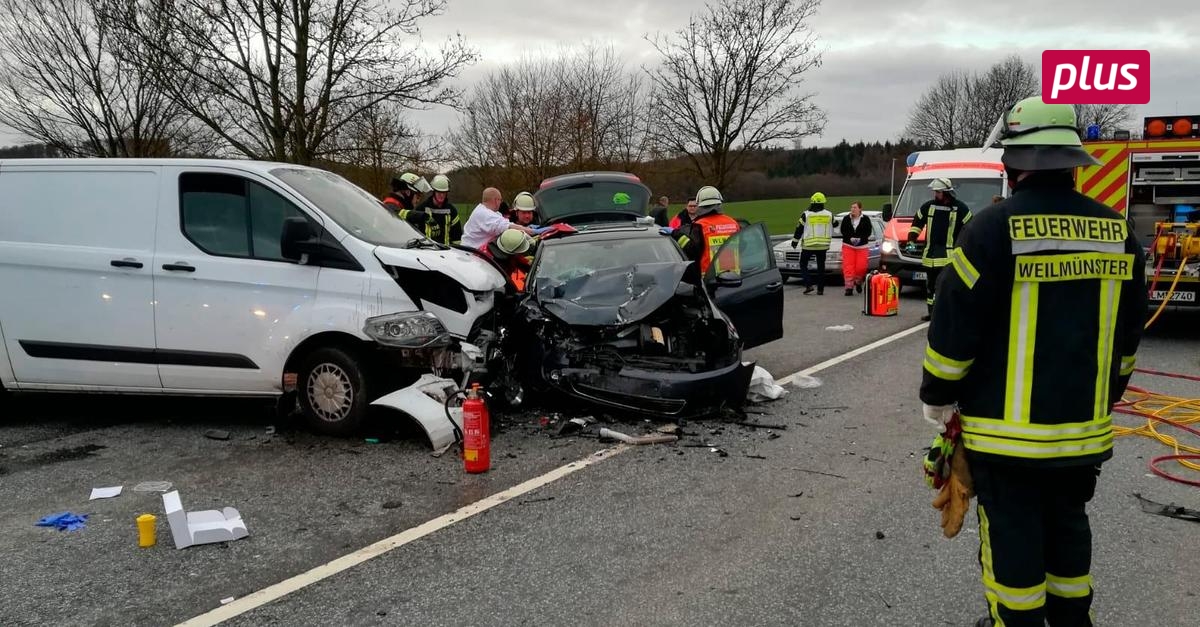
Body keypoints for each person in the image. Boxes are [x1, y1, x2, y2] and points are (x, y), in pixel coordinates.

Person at [919, 96, 1146, 627]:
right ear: (1073, 163)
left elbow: (954, 330)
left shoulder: (992, 229)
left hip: (1006, 441)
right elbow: (1128, 338)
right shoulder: (1118, 233)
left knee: (1014, 544)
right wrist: (1107, 395)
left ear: (1012, 164)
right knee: (1068, 530)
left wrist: (937, 398)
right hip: (1082, 436)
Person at [908, 177, 972, 320]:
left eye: (938, 192)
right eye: (935, 192)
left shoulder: (960, 208)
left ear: (946, 192)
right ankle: (932, 313)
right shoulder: (928, 207)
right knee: (930, 287)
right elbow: (916, 225)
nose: (935, 195)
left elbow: (970, 228)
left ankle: (946, 313)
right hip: (929, 257)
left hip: (948, 258)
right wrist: (911, 243)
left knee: (945, 287)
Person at [673, 186, 740, 275]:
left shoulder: (700, 225)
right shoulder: (733, 223)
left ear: (699, 205)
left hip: (709, 278)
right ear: (719, 203)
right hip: (733, 277)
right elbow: (742, 247)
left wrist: (676, 234)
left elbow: (692, 251)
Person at [461, 188, 535, 249]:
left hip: (475, 253)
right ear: (496, 200)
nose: (500, 203)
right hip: (474, 254)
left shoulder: (490, 212)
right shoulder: (484, 214)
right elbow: (506, 227)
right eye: (500, 200)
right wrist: (533, 231)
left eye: (529, 212)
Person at [791, 192, 833, 295]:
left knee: (803, 264)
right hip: (823, 246)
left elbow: (799, 229)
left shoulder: (806, 214)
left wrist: (795, 241)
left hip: (809, 245)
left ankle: (809, 285)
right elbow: (835, 224)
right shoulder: (829, 214)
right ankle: (820, 289)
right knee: (821, 267)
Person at [405, 174, 462, 245]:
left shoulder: (452, 211)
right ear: (434, 192)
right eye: (439, 192)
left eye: (444, 193)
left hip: (446, 252)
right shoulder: (422, 208)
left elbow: (457, 236)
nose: (441, 195)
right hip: (426, 251)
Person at [840, 201, 873, 296]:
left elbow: (868, 231)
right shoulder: (846, 219)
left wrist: (860, 239)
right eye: (851, 207)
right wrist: (850, 238)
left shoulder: (866, 219)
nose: (852, 209)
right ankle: (849, 287)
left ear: (860, 209)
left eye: (854, 207)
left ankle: (858, 281)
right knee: (848, 267)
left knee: (861, 267)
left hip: (862, 246)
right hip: (848, 246)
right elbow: (843, 230)